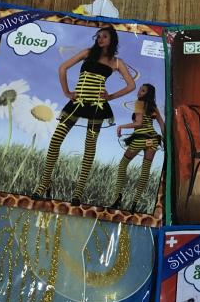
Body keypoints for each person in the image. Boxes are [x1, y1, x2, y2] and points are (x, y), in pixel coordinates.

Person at [32, 26, 136, 206]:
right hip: (77, 103)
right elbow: (63, 68)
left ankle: (78, 192)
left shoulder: (116, 62)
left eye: (104, 36)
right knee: (56, 140)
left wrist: (110, 97)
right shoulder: (88, 53)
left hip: (97, 107)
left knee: (89, 146)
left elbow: (131, 85)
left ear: (112, 40)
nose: (100, 39)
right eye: (98, 36)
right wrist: (67, 92)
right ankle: (44, 183)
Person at [112, 84, 164, 211]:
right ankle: (134, 205)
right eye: (140, 89)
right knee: (145, 171)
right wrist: (167, 141)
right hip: (153, 140)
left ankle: (117, 199)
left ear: (147, 94)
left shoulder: (139, 103)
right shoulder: (154, 107)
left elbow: (139, 123)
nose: (139, 91)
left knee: (123, 165)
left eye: (143, 90)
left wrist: (121, 126)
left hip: (140, 139)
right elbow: (162, 125)